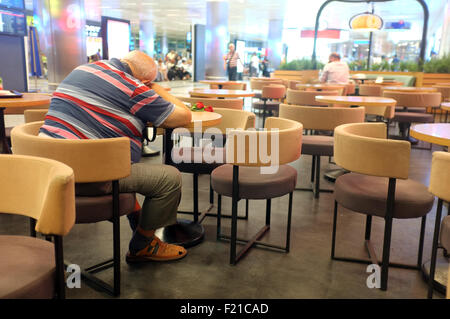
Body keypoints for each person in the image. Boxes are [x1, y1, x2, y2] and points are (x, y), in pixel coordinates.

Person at [39, 50, 192, 263]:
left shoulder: (82, 68)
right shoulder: (134, 88)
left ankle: (138, 219)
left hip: (47, 169)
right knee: (169, 179)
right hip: (87, 178)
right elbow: (184, 116)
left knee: (124, 166)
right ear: (146, 80)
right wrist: (155, 88)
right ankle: (144, 245)